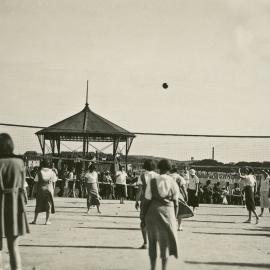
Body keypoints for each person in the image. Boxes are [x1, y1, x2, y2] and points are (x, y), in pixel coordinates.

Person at [0, 133, 30, 270]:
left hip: (1, 203)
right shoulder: (20, 163)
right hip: (15, 205)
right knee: (14, 247)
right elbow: (23, 185)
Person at [145, 159, 179, 270]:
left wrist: (143, 215)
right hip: (167, 213)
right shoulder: (173, 182)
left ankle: (152, 268)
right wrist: (175, 219)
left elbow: (147, 199)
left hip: (153, 213)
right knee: (165, 245)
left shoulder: (153, 181)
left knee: (152, 242)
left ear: (158, 168)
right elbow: (176, 201)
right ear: (169, 169)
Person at [135, 159, 158, 249]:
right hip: (156, 200)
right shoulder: (158, 176)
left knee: (143, 222)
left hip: (145, 200)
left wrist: (136, 201)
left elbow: (139, 190)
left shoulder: (142, 176)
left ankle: (145, 243)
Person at [30, 159, 57, 225]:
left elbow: (36, 182)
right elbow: (54, 181)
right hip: (49, 189)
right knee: (48, 205)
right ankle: (47, 221)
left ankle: (35, 220)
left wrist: (34, 191)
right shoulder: (52, 172)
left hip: (40, 189)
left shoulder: (39, 172)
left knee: (38, 204)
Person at [170, 167, 192, 231]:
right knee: (180, 212)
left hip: (168, 195)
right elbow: (183, 188)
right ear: (176, 171)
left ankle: (171, 225)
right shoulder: (179, 177)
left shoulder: (168, 177)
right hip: (178, 195)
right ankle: (179, 226)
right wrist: (186, 196)